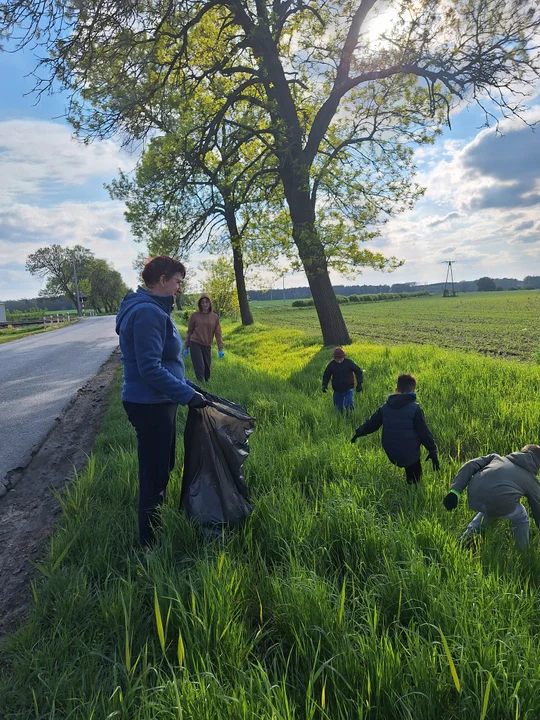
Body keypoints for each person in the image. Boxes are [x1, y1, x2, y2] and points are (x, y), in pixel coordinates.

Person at [116, 256, 207, 548]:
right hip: (150, 403)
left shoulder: (153, 310)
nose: (179, 288)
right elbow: (150, 368)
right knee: (154, 474)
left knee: (162, 466)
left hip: (158, 400)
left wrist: (187, 386)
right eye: (178, 281)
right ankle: (149, 545)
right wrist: (187, 395)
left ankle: (156, 524)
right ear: (163, 279)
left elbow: (165, 365)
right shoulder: (148, 313)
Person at [443, 444, 540, 549]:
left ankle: (463, 540)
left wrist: (455, 491)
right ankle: (523, 551)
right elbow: (537, 508)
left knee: (492, 507)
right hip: (499, 502)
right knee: (521, 517)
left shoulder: (496, 458)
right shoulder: (531, 480)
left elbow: (470, 465)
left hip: (474, 495)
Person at [350, 373, 439, 484]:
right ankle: (414, 488)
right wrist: (432, 450)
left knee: (406, 449)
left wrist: (358, 433)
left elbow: (371, 424)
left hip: (391, 450)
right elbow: (424, 433)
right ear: (413, 391)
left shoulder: (385, 407)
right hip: (409, 452)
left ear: (396, 390)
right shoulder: (415, 409)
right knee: (414, 474)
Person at [183, 294, 224, 382]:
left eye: (207, 302)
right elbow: (189, 331)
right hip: (195, 343)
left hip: (207, 344)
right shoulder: (195, 315)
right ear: (200, 304)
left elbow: (218, 333)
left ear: (210, 303)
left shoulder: (215, 317)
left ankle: (206, 383)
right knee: (200, 366)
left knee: (207, 368)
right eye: (203, 302)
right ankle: (200, 384)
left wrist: (220, 348)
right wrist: (186, 346)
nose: (205, 304)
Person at [322, 347, 363, 413]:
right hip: (337, 390)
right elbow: (326, 375)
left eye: (340, 358)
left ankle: (350, 417)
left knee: (349, 405)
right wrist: (324, 385)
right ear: (334, 358)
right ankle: (340, 419)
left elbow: (358, 371)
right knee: (338, 408)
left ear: (344, 356)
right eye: (337, 359)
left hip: (348, 389)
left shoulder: (349, 363)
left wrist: (359, 384)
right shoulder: (331, 365)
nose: (339, 361)